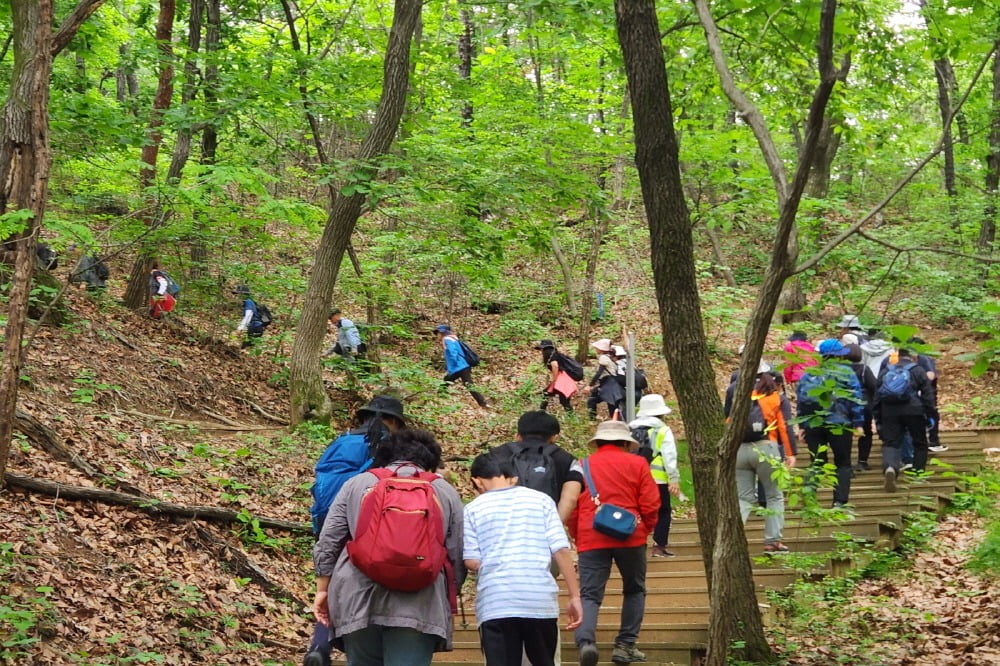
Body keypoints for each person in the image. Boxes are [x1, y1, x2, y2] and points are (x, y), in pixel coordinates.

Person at [311, 428, 465, 666]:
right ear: (430, 461)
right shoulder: (444, 491)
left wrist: (323, 590)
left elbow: (329, 541)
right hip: (420, 603)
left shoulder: (358, 483)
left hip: (357, 598)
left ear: (384, 457)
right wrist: (450, 593)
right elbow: (456, 552)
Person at [304, 396, 406, 666]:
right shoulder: (384, 445)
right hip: (366, 523)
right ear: (393, 420)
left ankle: (320, 645)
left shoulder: (340, 441)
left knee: (333, 588)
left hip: (329, 521)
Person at [463, 452, 583, 666]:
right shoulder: (542, 501)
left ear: (476, 481)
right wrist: (575, 597)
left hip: (496, 604)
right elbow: (561, 550)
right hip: (539, 602)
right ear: (512, 476)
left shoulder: (473, 509)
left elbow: (472, 561)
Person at [568, 420, 659, 666]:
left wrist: (578, 535)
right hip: (631, 536)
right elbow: (651, 502)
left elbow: (573, 504)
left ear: (597, 442)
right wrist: (646, 529)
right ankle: (625, 645)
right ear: (626, 443)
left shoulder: (582, 465)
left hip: (591, 535)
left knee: (589, 594)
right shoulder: (638, 463)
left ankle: (586, 642)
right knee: (634, 589)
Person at [727, 361, 797, 553]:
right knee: (774, 495)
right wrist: (790, 453)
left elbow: (727, 419)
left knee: (743, 498)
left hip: (740, 449)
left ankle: (732, 540)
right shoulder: (774, 394)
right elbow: (784, 426)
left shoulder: (734, 390)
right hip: (767, 448)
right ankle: (772, 541)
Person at [797, 340, 865, 508]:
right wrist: (858, 423)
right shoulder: (846, 372)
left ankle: (809, 495)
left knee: (817, 461)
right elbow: (855, 397)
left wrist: (802, 426)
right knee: (842, 463)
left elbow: (801, 401)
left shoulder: (809, 374)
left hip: (814, 423)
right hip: (839, 423)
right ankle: (839, 501)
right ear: (839, 355)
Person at [493, 411, 584, 522]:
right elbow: (570, 499)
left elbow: (482, 489)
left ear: (518, 435)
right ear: (554, 437)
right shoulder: (567, 459)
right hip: (544, 527)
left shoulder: (497, 455)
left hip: (501, 526)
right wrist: (555, 526)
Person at [873, 347, 936, 492]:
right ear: (912, 356)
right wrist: (929, 414)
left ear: (897, 356)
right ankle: (918, 473)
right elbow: (927, 395)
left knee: (891, 443)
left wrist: (878, 416)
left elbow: (877, 396)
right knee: (919, 442)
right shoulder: (918, 370)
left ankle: (890, 467)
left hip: (889, 411)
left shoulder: (885, 371)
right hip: (914, 410)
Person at [627, 394, 680, 557]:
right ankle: (659, 546)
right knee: (663, 511)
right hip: (658, 479)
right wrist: (673, 478)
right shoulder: (662, 430)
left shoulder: (629, 428)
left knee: (636, 510)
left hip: (633, 478)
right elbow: (669, 456)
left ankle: (635, 545)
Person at [909, 336, 947, 453]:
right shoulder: (925, 359)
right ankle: (933, 441)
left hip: (909, 395)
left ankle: (913, 443)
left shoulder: (900, 359)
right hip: (926, 393)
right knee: (931, 415)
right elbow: (932, 376)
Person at [436, 324, 488, 408]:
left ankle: (483, 403)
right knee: (448, 381)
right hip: (462, 366)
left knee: (466, 384)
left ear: (443, 333)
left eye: (438, 333)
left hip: (459, 367)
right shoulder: (453, 338)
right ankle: (483, 403)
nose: (437, 335)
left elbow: (453, 352)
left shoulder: (446, 339)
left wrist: (453, 363)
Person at [586, 339, 623, 419]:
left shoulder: (603, 357)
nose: (596, 349)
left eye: (597, 348)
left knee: (612, 407)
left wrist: (590, 385)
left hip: (609, 385)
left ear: (601, 349)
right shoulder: (609, 357)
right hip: (611, 384)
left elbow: (599, 373)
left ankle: (593, 420)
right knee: (594, 400)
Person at [536, 340, 575, 412]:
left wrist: (555, 380)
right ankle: (541, 411)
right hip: (564, 378)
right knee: (547, 393)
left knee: (563, 401)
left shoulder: (549, 353)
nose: (541, 350)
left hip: (562, 379)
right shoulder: (555, 353)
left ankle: (541, 412)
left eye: (541, 348)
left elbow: (555, 366)